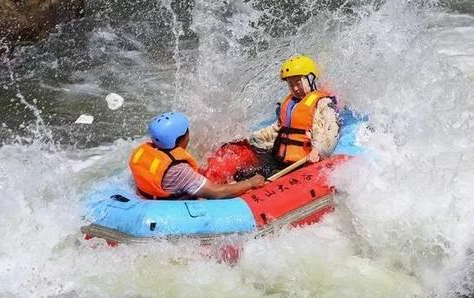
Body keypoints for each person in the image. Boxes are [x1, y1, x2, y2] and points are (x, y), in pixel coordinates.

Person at [202, 55, 340, 181]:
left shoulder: (323, 104)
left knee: (260, 176)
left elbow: (327, 132)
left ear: (310, 79)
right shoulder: (290, 104)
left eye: (298, 83)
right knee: (242, 173)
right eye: (291, 85)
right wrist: (250, 138)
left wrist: (317, 150)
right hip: (281, 160)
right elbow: (276, 131)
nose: (295, 88)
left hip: (304, 163)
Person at [129, 112, 265, 199]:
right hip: (173, 207)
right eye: (187, 132)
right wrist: (251, 182)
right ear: (181, 139)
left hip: (153, 196)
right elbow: (217, 192)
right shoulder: (178, 170)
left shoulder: (148, 151)